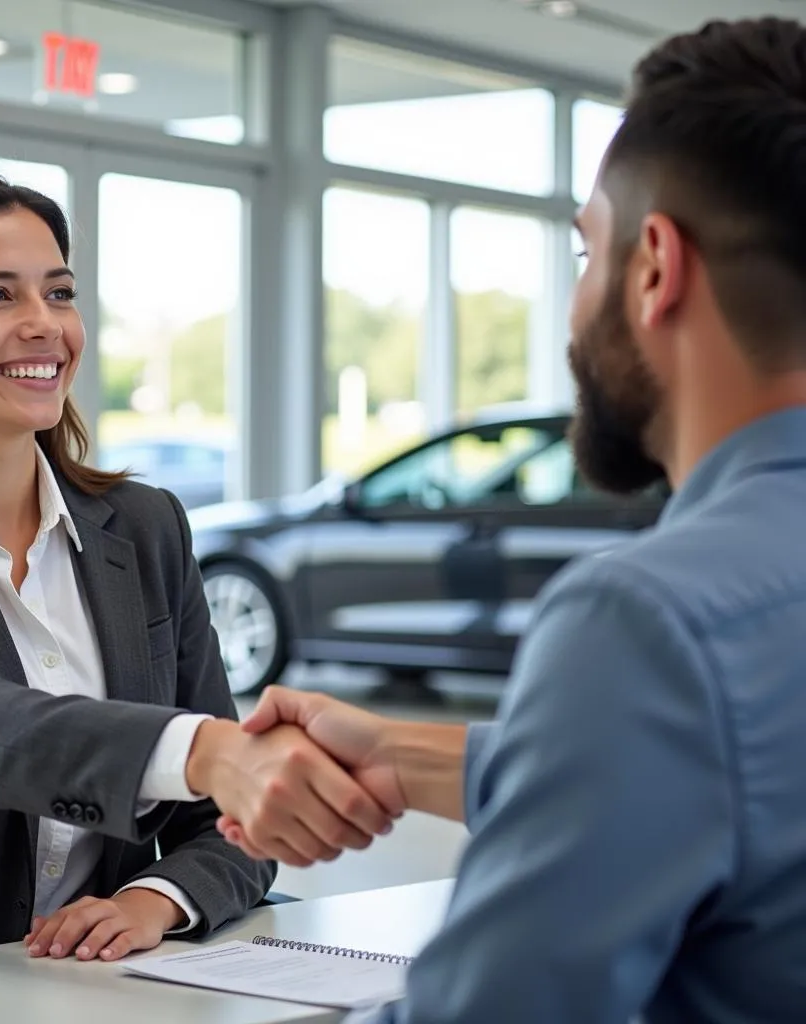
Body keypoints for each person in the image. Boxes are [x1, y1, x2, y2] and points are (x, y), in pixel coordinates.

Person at [216, 16, 806, 1022]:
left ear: (654, 268)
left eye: (586, 254)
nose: (575, 304)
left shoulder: (648, 623)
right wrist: (412, 758)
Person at [0, 169, 394, 975]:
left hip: (99, 989)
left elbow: (228, 823)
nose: (44, 325)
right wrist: (206, 749)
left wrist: (155, 899)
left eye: (60, 293)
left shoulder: (146, 528)